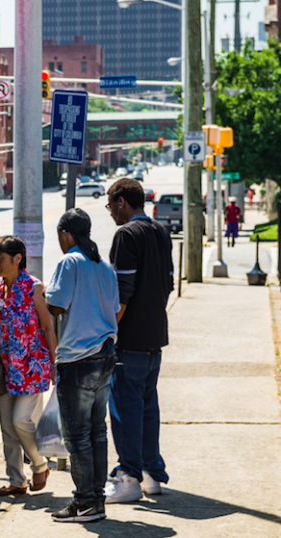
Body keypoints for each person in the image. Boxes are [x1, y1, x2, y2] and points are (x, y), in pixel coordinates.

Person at [45, 208, 120, 523]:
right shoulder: (104, 266)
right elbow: (114, 309)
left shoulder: (69, 262)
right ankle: (96, 499)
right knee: (97, 432)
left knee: (77, 435)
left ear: (66, 234)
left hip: (78, 359)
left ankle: (85, 502)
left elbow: (56, 305)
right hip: (105, 356)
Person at [104, 178, 174, 503]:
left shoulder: (126, 235)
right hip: (155, 335)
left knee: (124, 410)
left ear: (121, 202)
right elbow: (169, 283)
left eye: (110, 206)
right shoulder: (161, 232)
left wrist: (108, 332)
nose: (110, 214)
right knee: (148, 407)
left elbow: (121, 295)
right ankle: (152, 474)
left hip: (129, 338)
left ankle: (129, 476)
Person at [0, 236, 56, 497]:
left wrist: (55, 361)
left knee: (20, 422)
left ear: (17, 259)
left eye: (0, 259)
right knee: (7, 427)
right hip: (5, 366)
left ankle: (39, 464)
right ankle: (16, 480)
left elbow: (47, 326)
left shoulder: (34, 288)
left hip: (32, 366)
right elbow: (2, 324)